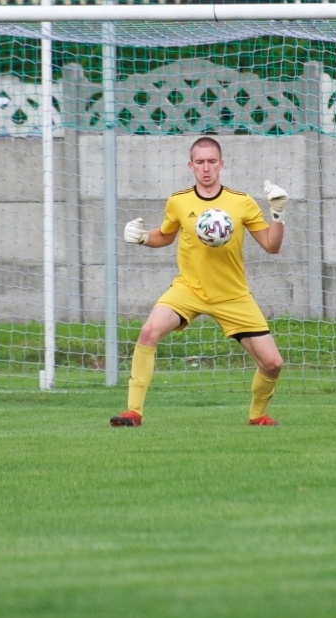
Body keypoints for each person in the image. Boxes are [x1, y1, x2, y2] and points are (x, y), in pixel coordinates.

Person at [115, 136, 288, 428]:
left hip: (232, 295)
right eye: (200, 162)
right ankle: (132, 412)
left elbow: (272, 246)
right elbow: (166, 235)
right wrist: (143, 237)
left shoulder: (241, 202)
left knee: (273, 364)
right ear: (190, 165)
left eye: (211, 161)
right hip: (189, 289)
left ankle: (257, 415)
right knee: (148, 332)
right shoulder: (179, 201)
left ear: (221, 164)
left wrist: (279, 213)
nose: (206, 168)